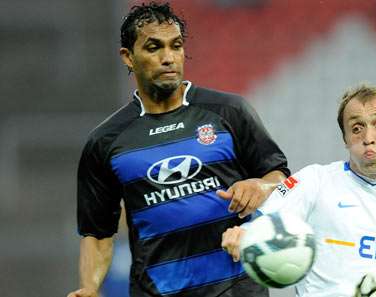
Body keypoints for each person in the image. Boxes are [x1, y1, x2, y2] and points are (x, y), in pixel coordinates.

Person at [67, 3, 289, 297]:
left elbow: (283, 180)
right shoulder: (106, 141)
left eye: (176, 46)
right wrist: (90, 287)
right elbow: (97, 233)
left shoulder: (229, 111)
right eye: (154, 47)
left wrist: (261, 185)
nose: (168, 58)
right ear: (128, 57)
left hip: (237, 288)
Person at [222, 85, 376, 297]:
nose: (368, 138)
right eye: (356, 128)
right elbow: (266, 223)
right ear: (345, 138)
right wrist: (245, 234)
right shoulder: (314, 181)